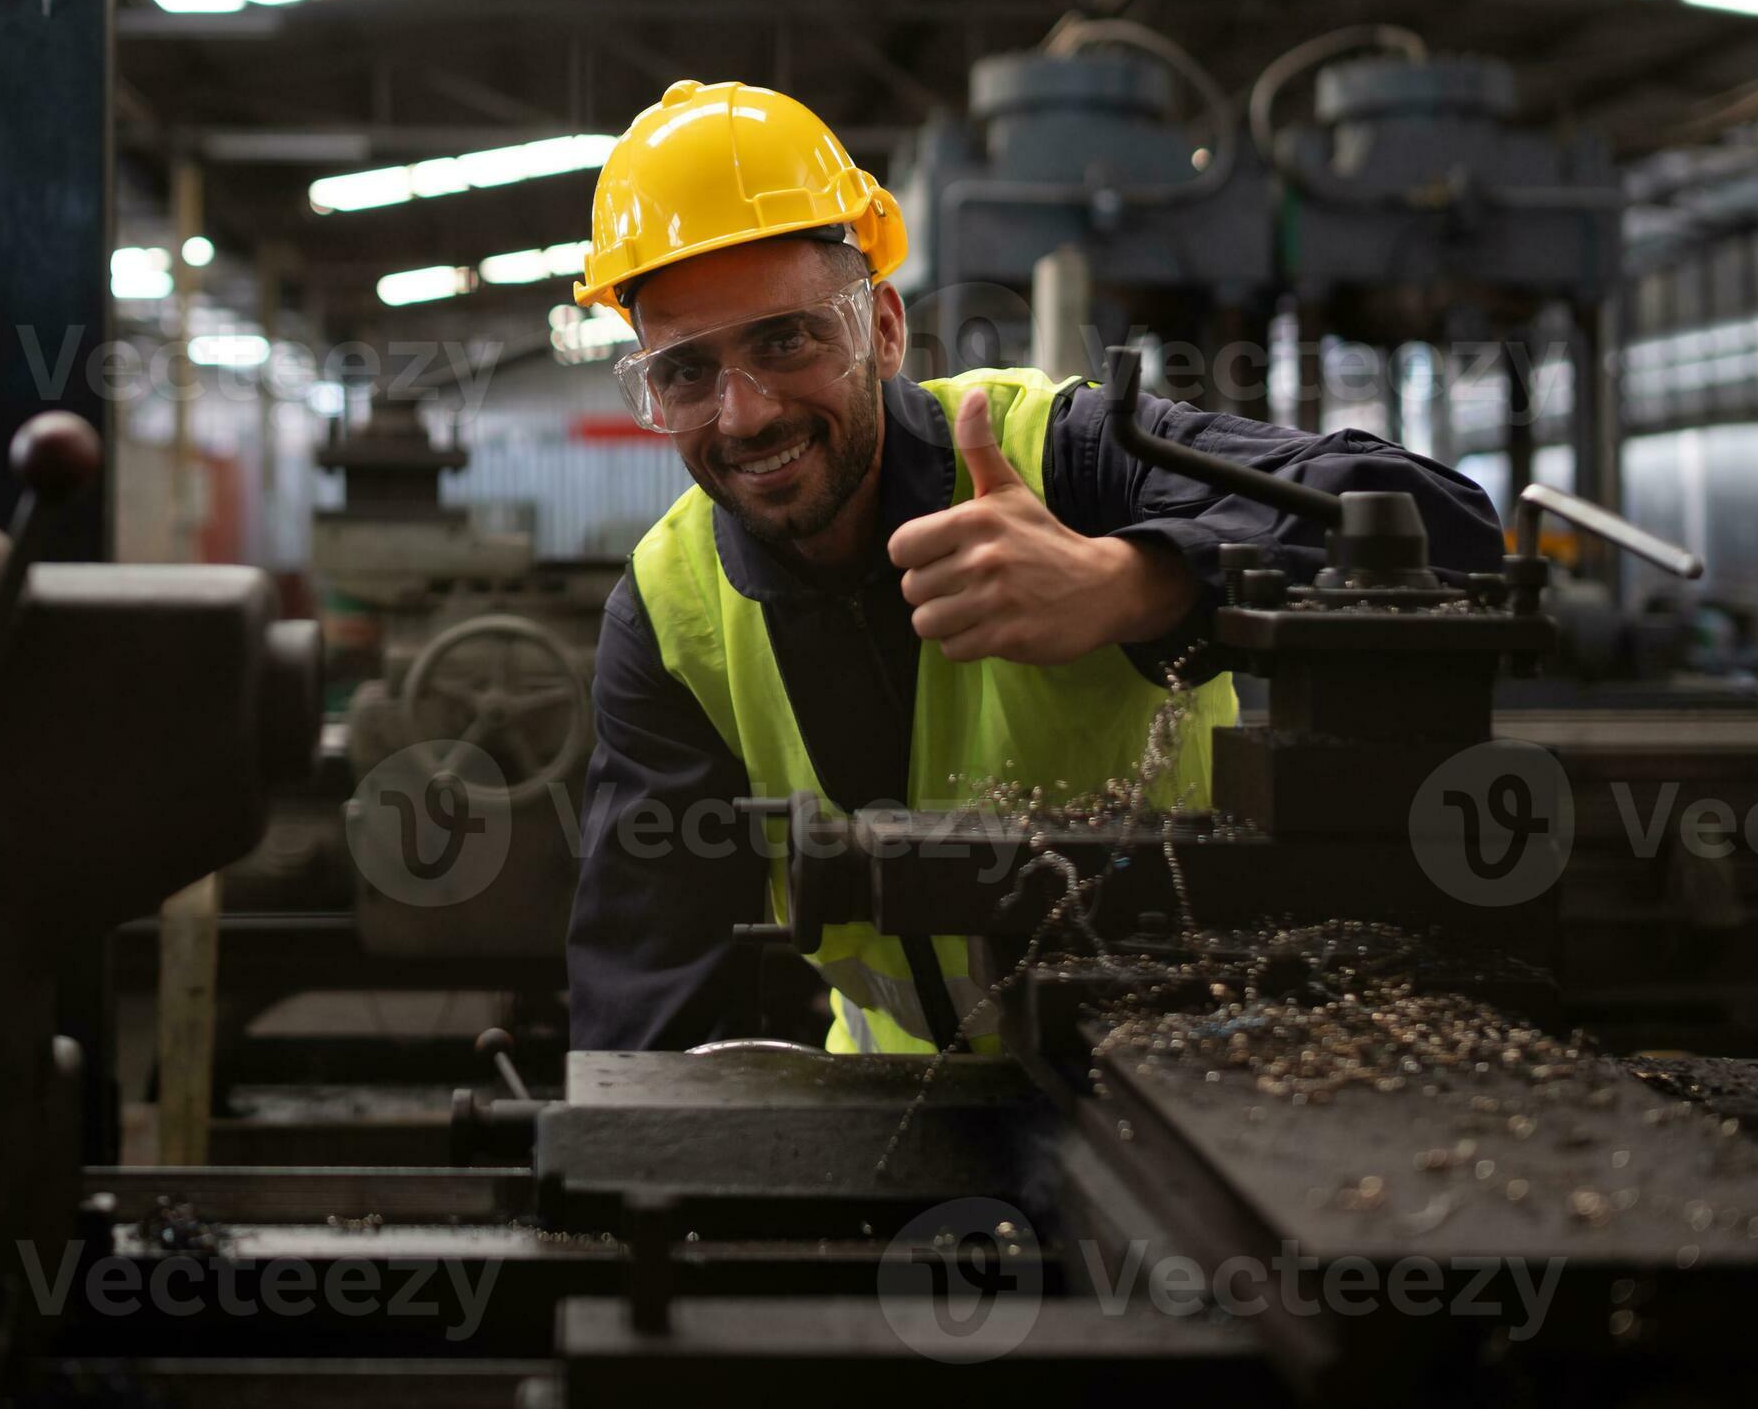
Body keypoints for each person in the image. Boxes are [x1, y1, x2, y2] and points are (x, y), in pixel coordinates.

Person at [565, 78, 1504, 1054]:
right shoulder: (670, 608)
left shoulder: (1063, 456)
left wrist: (1134, 584)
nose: (745, 410)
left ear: (882, 328)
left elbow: (1442, 525)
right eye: (684, 371)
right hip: (897, 1118)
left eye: (787, 339)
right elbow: (649, 996)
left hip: (1178, 1081)